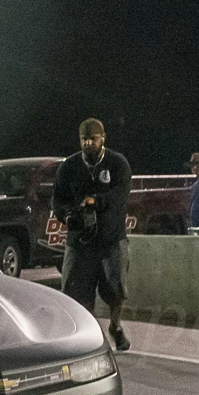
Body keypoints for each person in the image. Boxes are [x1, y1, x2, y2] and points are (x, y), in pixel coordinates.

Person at [52, 118, 133, 351]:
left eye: (93, 139)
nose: (88, 143)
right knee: (75, 292)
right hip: (79, 242)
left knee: (116, 291)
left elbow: (120, 196)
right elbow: (58, 199)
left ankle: (115, 327)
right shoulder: (69, 167)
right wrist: (67, 215)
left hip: (111, 240)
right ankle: (90, 337)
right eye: (84, 139)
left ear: (103, 138)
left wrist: (96, 201)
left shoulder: (117, 163)